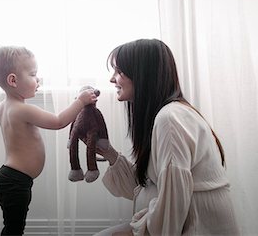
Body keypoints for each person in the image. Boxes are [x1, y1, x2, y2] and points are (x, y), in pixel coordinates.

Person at [94, 39, 240, 236]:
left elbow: (173, 203)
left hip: (195, 227)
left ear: (142, 75)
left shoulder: (170, 119)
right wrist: (108, 153)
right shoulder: (166, 116)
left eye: (119, 72)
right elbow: (144, 187)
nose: (112, 79)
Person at [0, 45, 97, 236]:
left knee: (13, 226)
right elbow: (58, 122)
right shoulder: (23, 110)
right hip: (16, 181)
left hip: (10, 178)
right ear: (13, 80)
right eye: (33, 74)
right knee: (14, 230)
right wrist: (80, 102)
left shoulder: (5, 107)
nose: (37, 79)